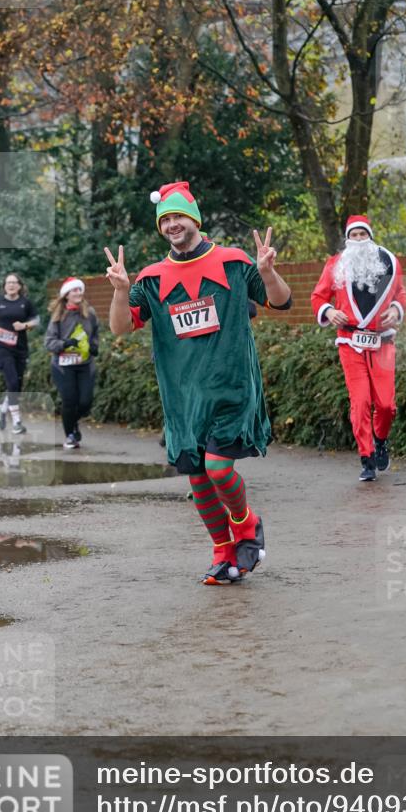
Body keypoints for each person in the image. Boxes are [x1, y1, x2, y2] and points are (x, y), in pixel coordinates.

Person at [104, 180, 292, 586]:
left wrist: (268, 271)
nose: (172, 224)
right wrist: (121, 292)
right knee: (197, 477)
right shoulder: (152, 278)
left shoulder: (234, 262)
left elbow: (280, 300)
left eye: (178, 217)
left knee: (218, 468)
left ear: (194, 219)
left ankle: (247, 525)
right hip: (183, 397)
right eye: (165, 219)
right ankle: (223, 552)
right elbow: (120, 328)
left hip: (231, 388)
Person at [311, 214, 406, 482]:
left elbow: (400, 293)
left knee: (386, 405)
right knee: (361, 401)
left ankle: (381, 439)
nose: (359, 239)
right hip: (350, 342)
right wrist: (329, 311)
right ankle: (366, 458)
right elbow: (318, 297)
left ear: (370, 236)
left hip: (382, 342)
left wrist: (396, 310)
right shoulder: (335, 265)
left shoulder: (388, 261)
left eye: (363, 234)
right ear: (347, 239)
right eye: (354, 235)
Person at [44, 278, 99, 449]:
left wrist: (94, 347)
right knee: (69, 401)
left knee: (85, 402)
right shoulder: (58, 315)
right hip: (62, 365)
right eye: (74, 290)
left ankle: (73, 422)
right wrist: (65, 344)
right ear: (66, 294)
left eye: (79, 290)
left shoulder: (89, 313)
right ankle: (70, 435)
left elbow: (95, 332)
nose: (78, 293)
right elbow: (48, 342)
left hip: (85, 365)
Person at [0, 273, 39, 434]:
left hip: (20, 349)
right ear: (4, 286)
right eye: (8, 283)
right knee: (12, 382)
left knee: (17, 385)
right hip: (2, 348)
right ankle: (17, 422)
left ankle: (3, 409)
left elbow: (37, 320)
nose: (11, 285)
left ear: (20, 286)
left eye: (14, 283)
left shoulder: (25, 303)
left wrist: (25, 325)